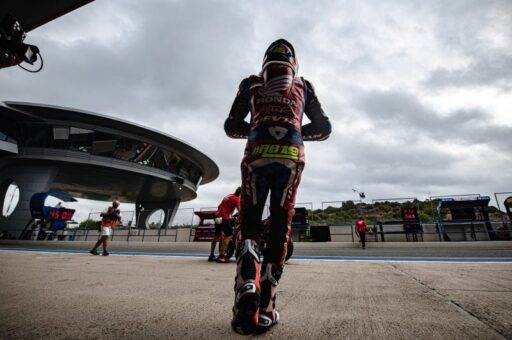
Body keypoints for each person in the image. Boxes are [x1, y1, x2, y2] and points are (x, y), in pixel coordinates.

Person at [224, 39, 331, 334]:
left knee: (250, 221)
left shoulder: (251, 83)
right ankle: (267, 305)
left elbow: (231, 126)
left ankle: (247, 283)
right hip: (292, 155)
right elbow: (324, 128)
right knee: (281, 222)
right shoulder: (305, 85)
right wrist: (293, 132)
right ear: (294, 63)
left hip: (256, 152)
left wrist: (259, 131)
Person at [208, 187, 241, 262]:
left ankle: (211, 255)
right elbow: (240, 210)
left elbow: (220, 206)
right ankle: (222, 256)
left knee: (216, 235)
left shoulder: (229, 196)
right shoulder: (236, 199)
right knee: (229, 235)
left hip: (217, 216)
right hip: (224, 217)